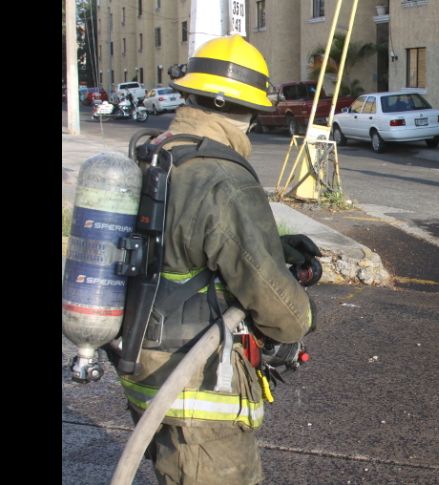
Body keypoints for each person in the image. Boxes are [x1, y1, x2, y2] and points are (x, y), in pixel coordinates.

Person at [118, 35, 319, 484]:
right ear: (241, 110)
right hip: (197, 388)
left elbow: (180, 245)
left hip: (144, 367)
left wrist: (275, 245)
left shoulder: (160, 153)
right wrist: (304, 312)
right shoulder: (223, 178)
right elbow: (282, 315)